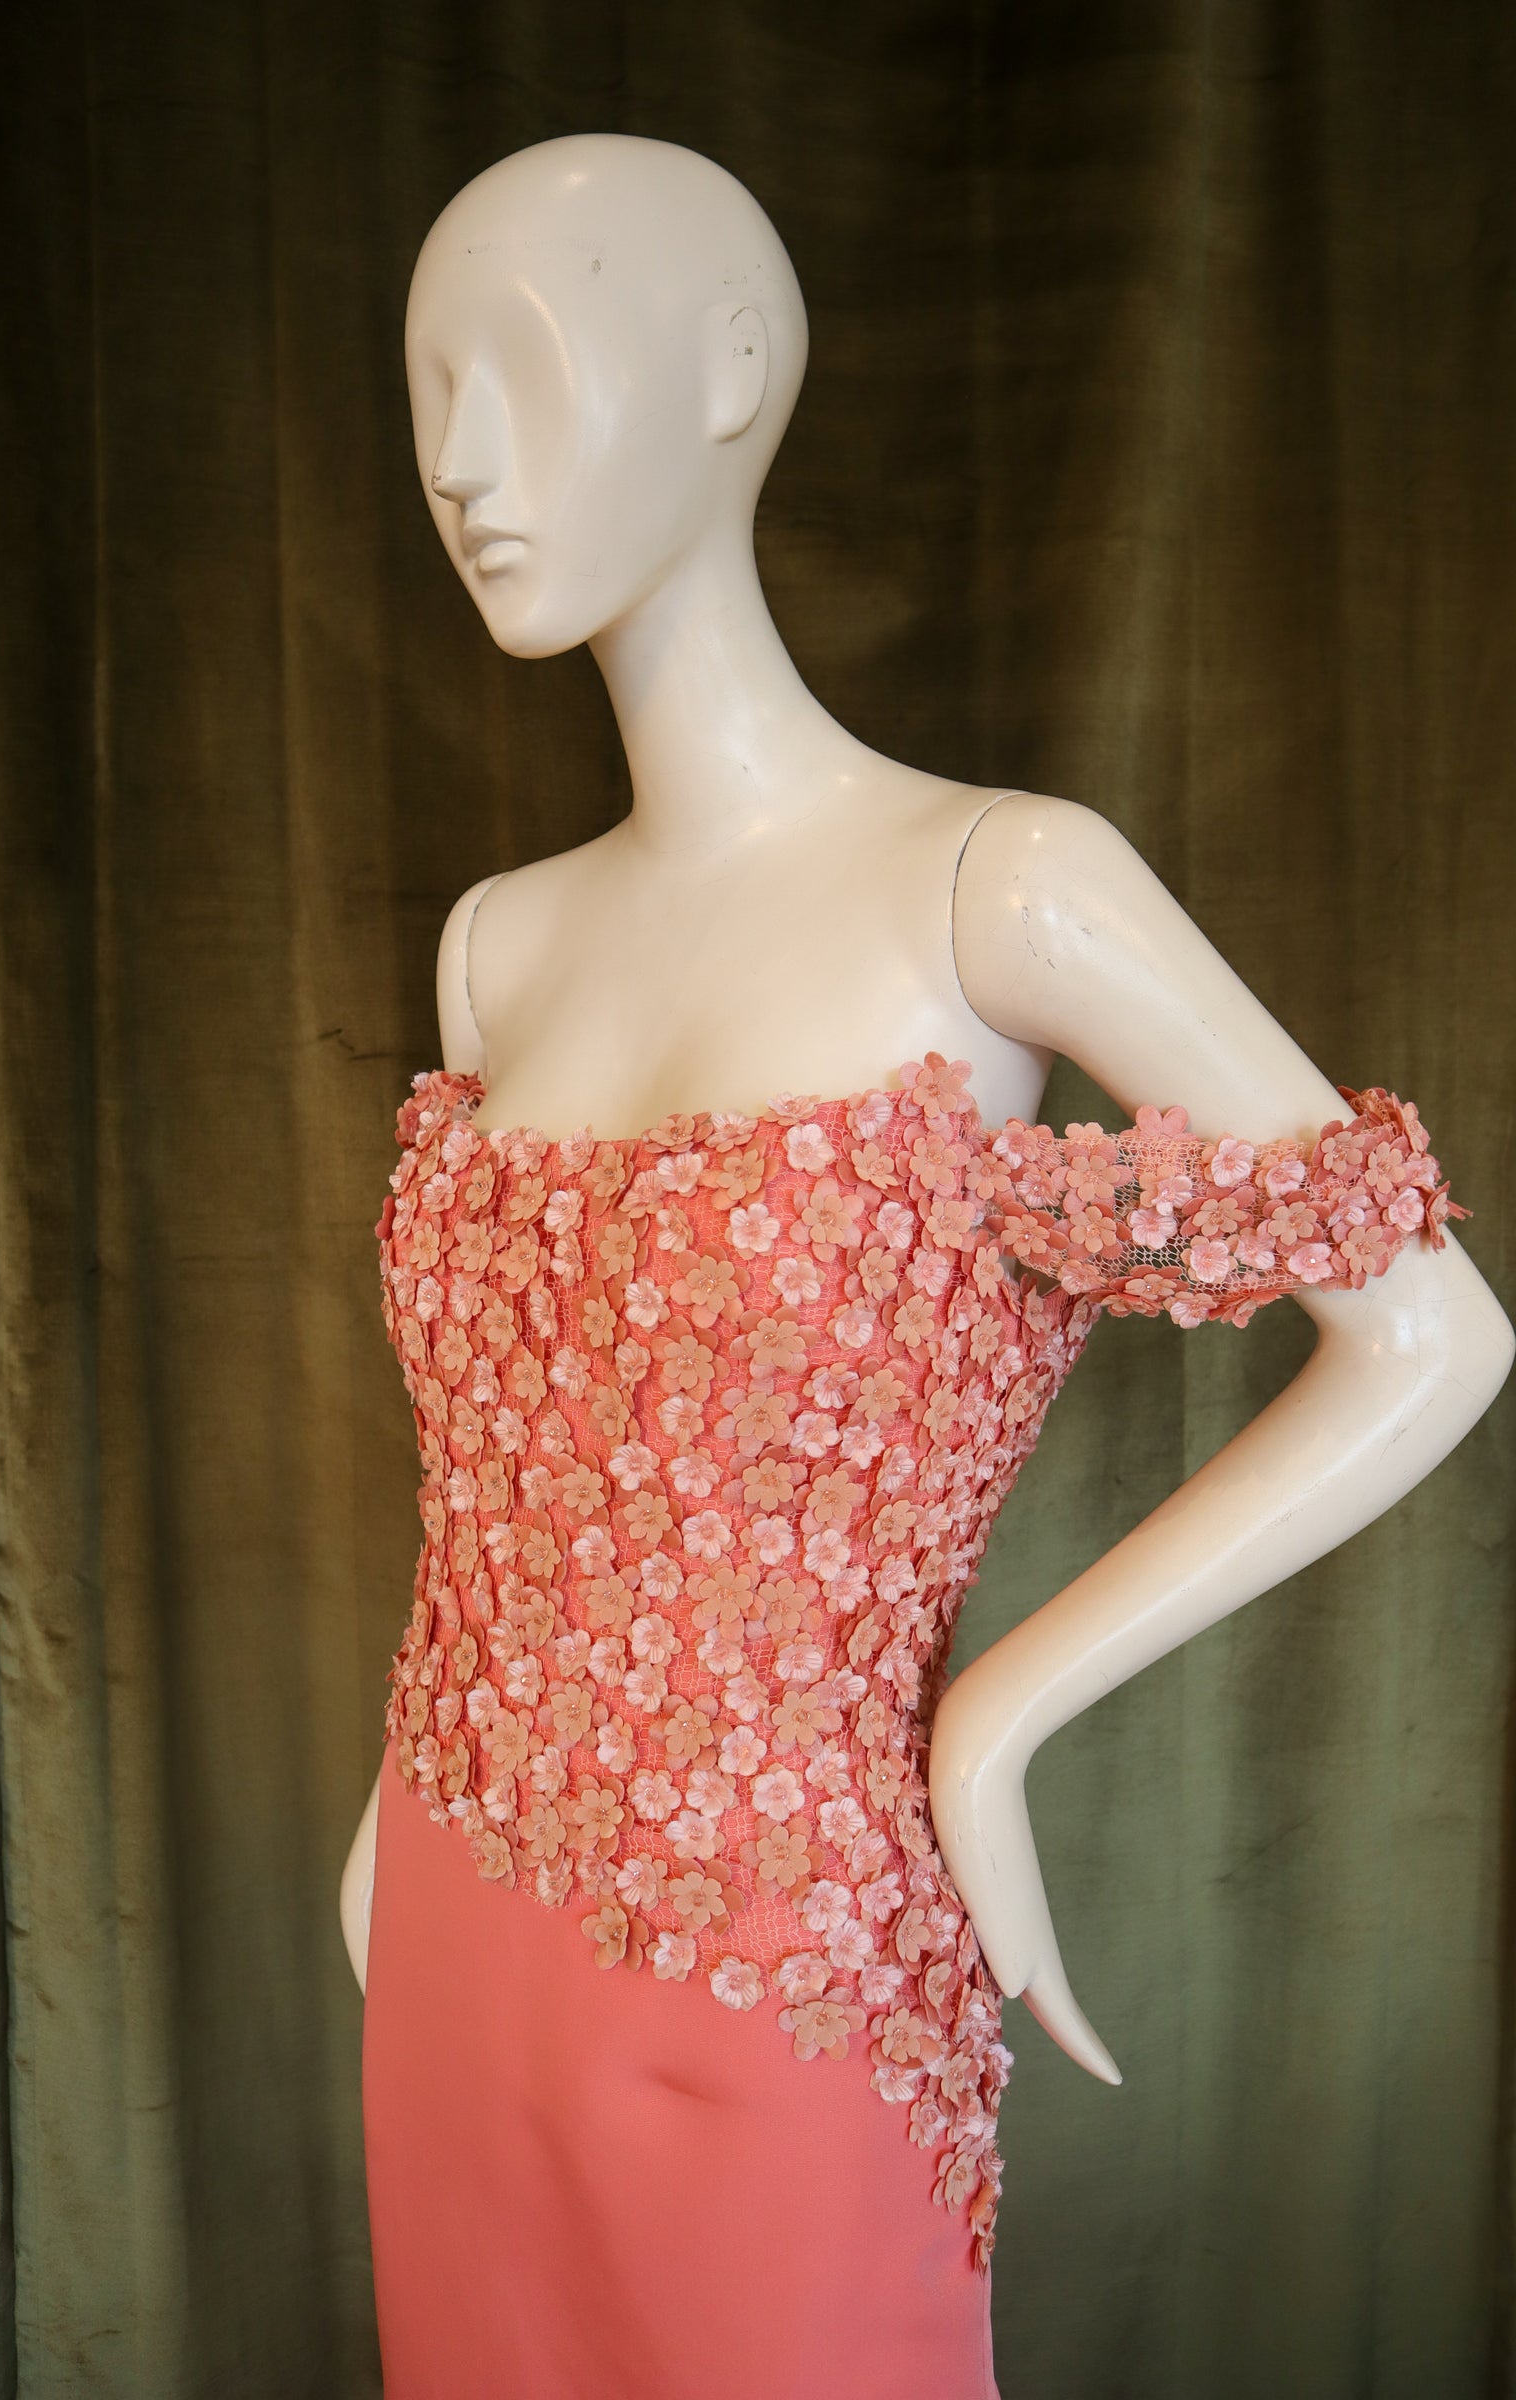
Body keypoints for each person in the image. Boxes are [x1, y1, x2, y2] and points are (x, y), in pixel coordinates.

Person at [345, 132, 1512, 2400]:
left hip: (789, 1958)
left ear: (731, 370)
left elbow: (1428, 1332)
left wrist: (990, 1719)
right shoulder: (494, 954)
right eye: (425, 388)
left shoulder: (998, 888)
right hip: (444, 1924)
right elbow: (496, 1487)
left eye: (525, 367)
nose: (462, 460)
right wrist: (384, 1820)